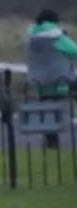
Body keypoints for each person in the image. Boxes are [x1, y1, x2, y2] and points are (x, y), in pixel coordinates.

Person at [24, 8, 77, 150]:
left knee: (48, 111)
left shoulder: (31, 38)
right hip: (59, 80)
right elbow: (74, 50)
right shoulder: (57, 37)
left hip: (40, 82)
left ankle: (51, 142)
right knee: (56, 109)